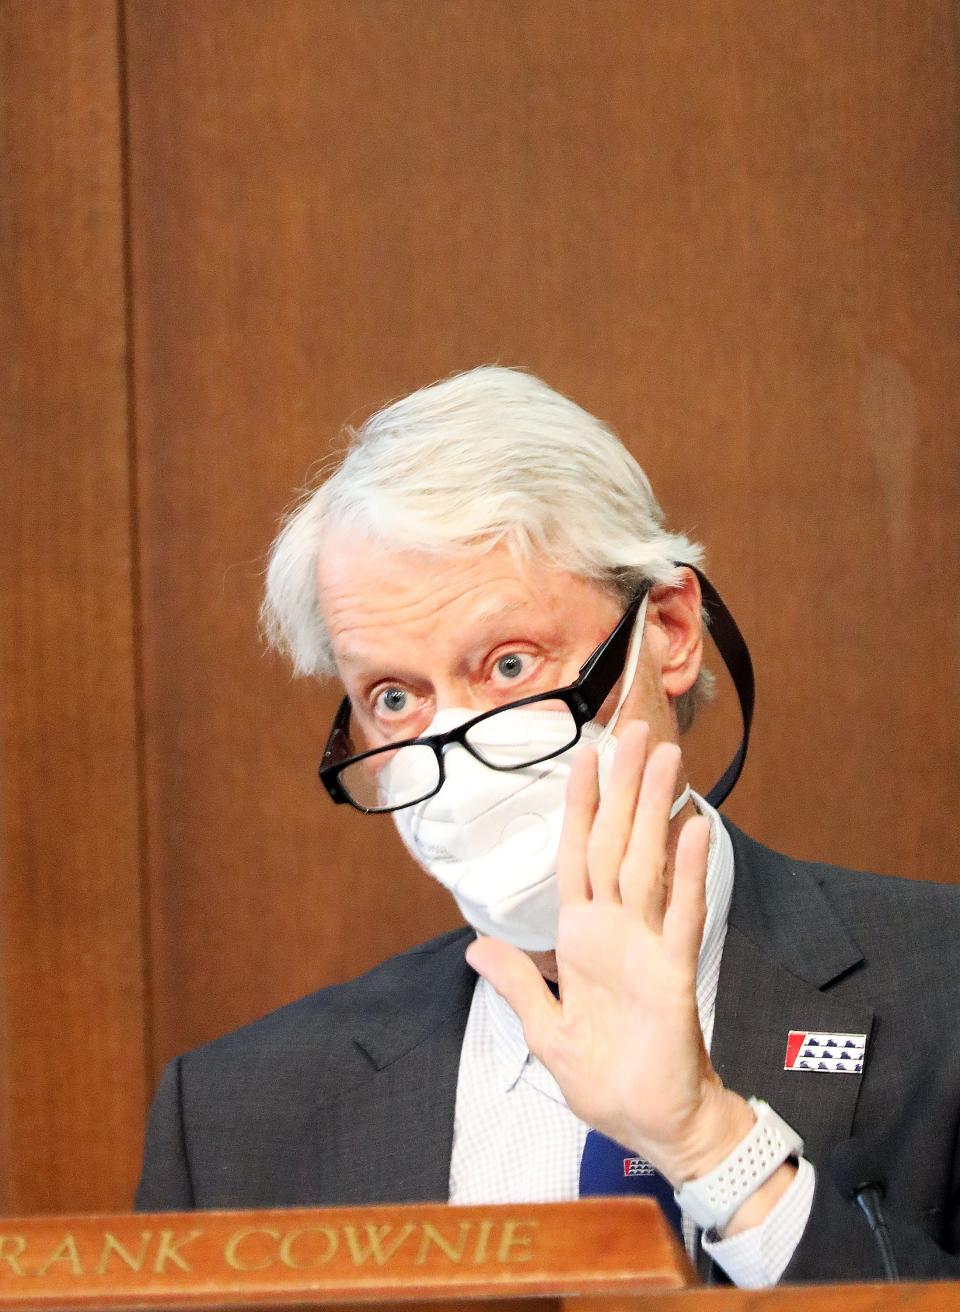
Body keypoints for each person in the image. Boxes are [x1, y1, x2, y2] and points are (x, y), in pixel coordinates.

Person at [136, 366, 960, 1285]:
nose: (459, 745)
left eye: (510, 664)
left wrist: (711, 1147)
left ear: (673, 631)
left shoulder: (944, 987)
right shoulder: (234, 1119)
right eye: (396, 696)